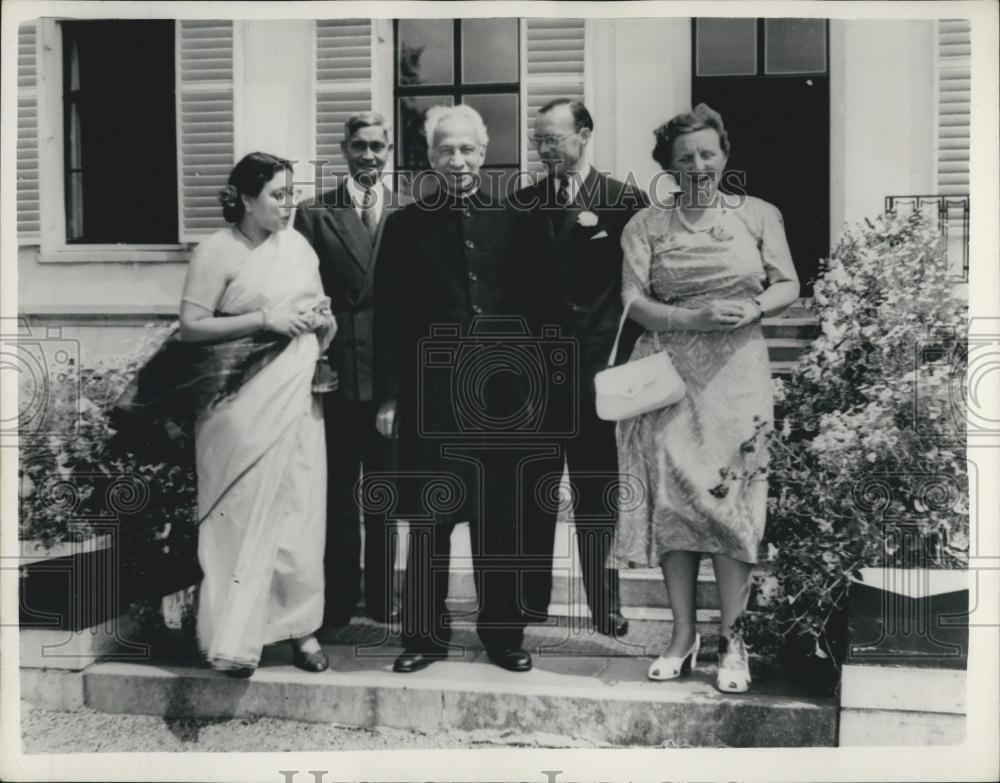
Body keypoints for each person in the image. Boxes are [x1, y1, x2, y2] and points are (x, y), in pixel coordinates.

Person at [613, 104, 799, 693]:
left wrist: (756, 307)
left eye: (707, 154)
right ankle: (682, 635)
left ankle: (733, 640)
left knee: (732, 501)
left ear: (724, 156)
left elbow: (788, 281)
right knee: (675, 500)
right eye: (684, 158)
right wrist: (691, 314)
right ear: (668, 166)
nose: (697, 166)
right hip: (668, 374)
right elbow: (633, 301)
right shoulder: (645, 225)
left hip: (738, 371)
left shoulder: (758, 214)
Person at [373, 104, 542, 674]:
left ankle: (504, 635)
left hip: (504, 400)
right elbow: (389, 316)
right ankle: (424, 637)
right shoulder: (404, 225)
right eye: (446, 150)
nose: (458, 160)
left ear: (485, 151)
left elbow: (539, 316)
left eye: (468, 149)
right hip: (432, 399)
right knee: (429, 520)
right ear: (429, 157)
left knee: (502, 517)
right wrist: (392, 395)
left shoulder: (518, 221)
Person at [177, 152, 337, 677]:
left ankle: (301, 629)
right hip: (238, 402)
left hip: (295, 395)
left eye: (291, 193)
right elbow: (191, 327)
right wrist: (264, 318)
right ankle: (235, 634)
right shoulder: (216, 252)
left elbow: (316, 314)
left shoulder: (298, 248)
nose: (288, 204)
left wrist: (320, 320)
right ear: (246, 198)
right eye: (277, 195)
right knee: (240, 514)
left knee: (298, 511)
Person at [512, 99, 647, 638]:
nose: (546, 150)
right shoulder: (521, 205)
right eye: (539, 141)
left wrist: (622, 361)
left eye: (555, 138)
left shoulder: (624, 202)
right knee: (535, 490)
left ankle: (604, 605)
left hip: (599, 374)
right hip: (537, 377)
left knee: (597, 494)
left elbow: (637, 290)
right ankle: (530, 600)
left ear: (585, 134)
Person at [294, 112, 401, 628]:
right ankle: (337, 599)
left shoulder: (406, 211)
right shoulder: (315, 214)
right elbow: (300, 292)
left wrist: (398, 389)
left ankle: (382, 598)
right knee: (337, 495)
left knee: (384, 491)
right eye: (359, 146)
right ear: (343, 149)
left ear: (389, 151)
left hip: (388, 374)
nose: (368, 156)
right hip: (333, 373)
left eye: (377, 147)